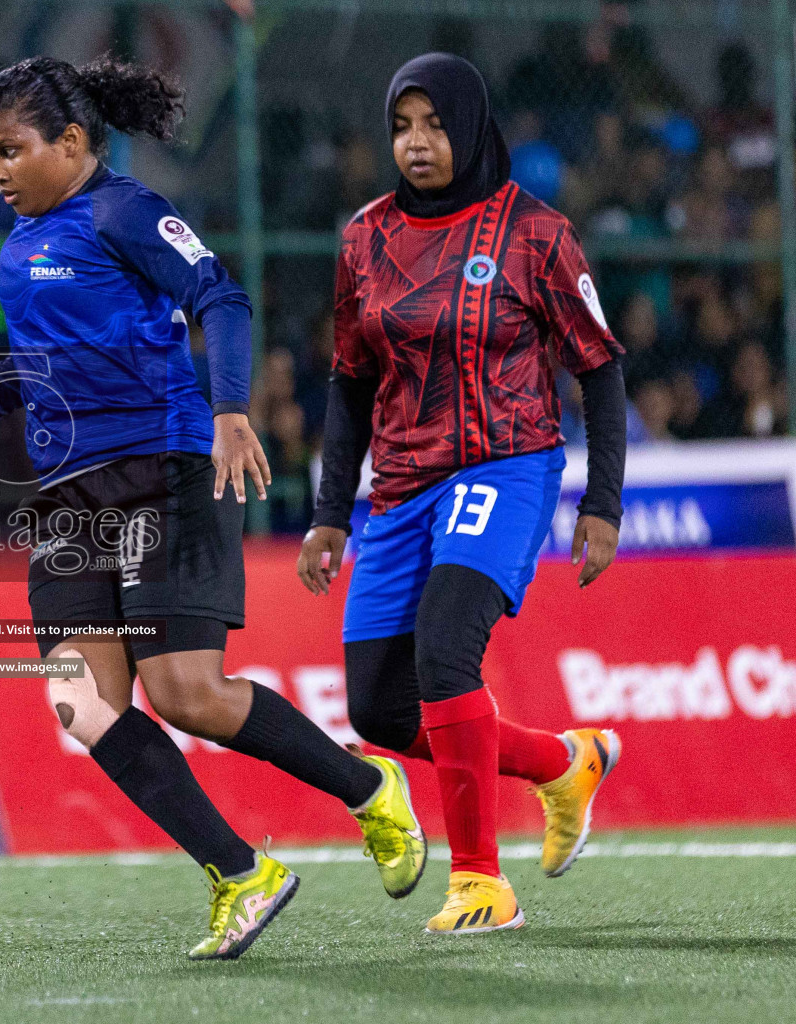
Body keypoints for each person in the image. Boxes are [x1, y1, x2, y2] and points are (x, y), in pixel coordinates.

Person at [0, 55, 425, 962]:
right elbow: (46, 364)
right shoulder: (17, 244)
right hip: (68, 496)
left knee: (187, 696)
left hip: (163, 467)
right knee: (78, 702)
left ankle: (369, 790)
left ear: (71, 142)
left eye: (12, 151)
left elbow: (220, 296)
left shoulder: (127, 213)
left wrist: (227, 410)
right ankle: (239, 873)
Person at [298, 53, 628, 936]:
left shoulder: (536, 233)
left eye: (435, 124)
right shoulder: (362, 238)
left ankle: (482, 883)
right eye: (403, 126)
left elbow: (599, 369)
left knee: (446, 651)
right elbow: (347, 382)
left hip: (505, 465)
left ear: (472, 127)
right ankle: (566, 763)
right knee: (377, 706)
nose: (416, 143)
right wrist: (333, 513)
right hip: (399, 488)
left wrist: (604, 502)